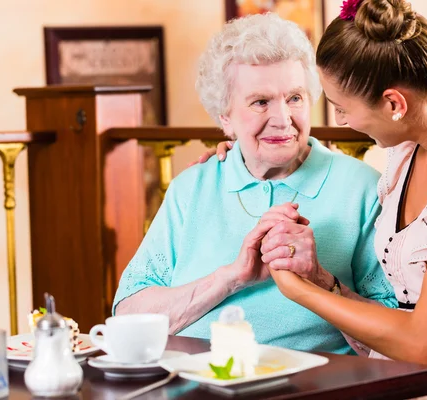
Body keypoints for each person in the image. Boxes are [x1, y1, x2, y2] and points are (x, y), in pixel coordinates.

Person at [205, 0, 427, 397]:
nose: (341, 123)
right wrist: (323, 281)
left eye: (342, 108)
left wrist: (299, 290)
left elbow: (426, 344)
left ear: (394, 104)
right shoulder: (411, 150)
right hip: (409, 366)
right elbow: (410, 321)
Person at [112, 12, 397, 355]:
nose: (283, 119)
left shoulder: (362, 188)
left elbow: (397, 335)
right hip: (194, 384)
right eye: (261, 102)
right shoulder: (191, 188)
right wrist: (232, 277)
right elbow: (128, 316)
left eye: (295, 98)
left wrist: (320, 280)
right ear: (225, 118)